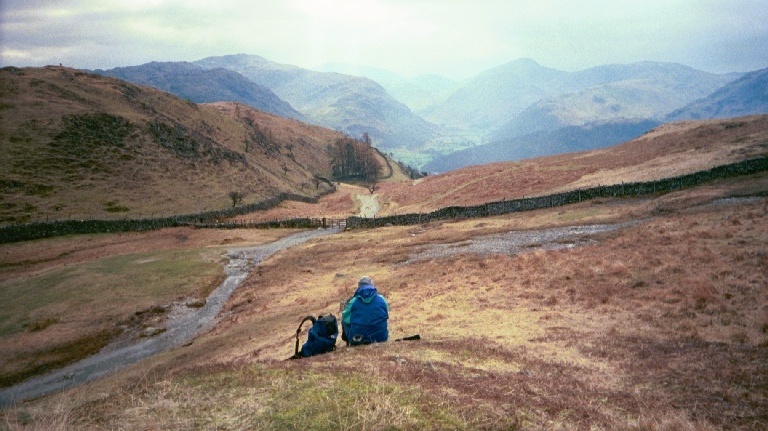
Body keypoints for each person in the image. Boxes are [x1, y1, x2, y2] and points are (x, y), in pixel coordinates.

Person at [341, 276, 389, 345]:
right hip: (381, 338)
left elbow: (345, 318)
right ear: (372, 285)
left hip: (358, 339)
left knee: (343, 320)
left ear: (359, 286)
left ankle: (349, 342)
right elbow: (386, 312)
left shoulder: (354, 301)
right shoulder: (382, 299)